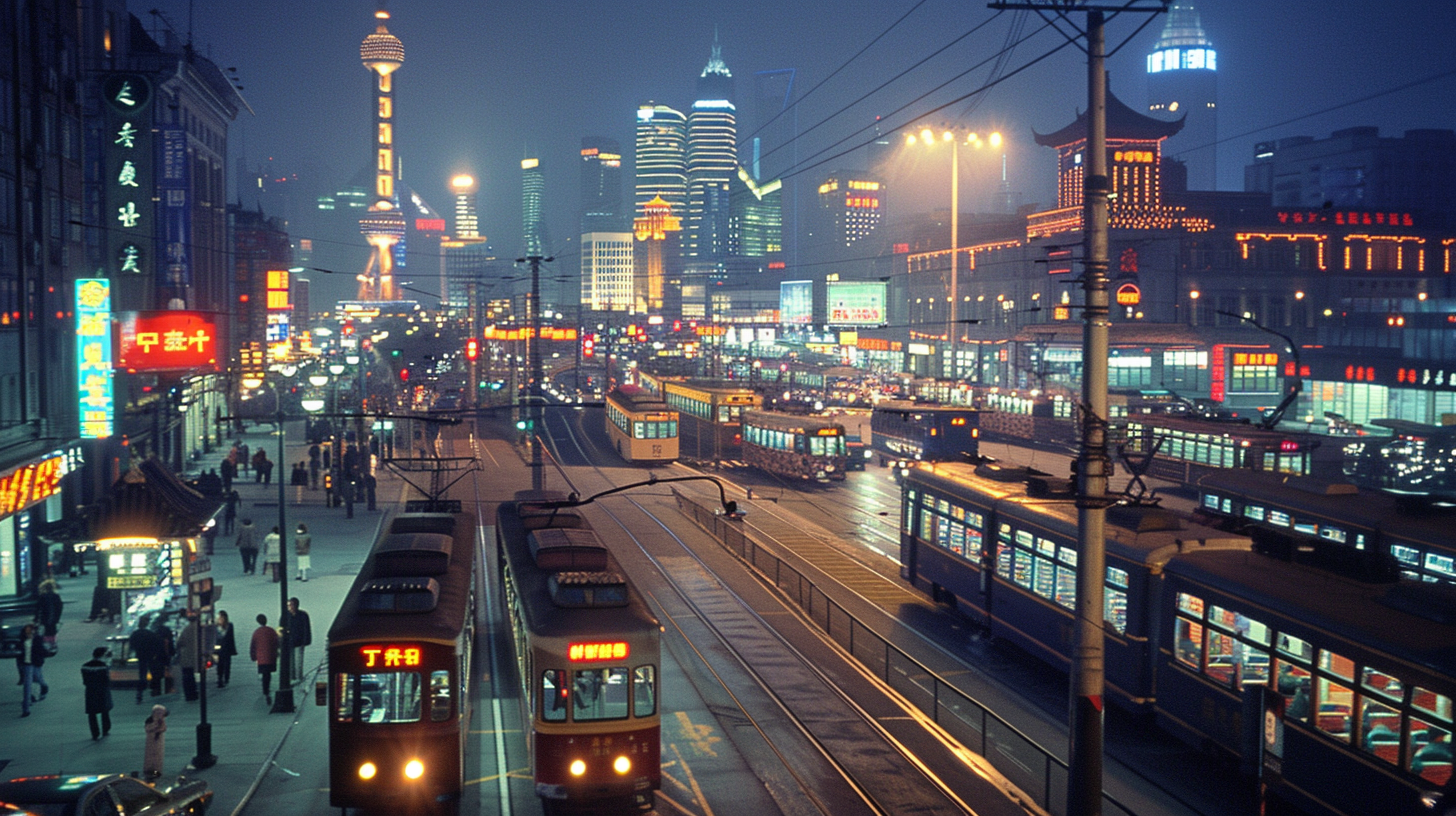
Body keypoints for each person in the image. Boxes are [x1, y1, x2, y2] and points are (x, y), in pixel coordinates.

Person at [127, 614, 166, 702]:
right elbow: (158, 644)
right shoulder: (150, 634)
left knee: (142, 674)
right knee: (154, 673)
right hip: (151, 656)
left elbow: (132, 644)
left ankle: (140, 692)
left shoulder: (135, 634)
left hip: (141, 656)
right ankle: (154, 690)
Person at [81, 646, 113, 740]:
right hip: (102, 691)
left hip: (90, 691)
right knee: (105, 710)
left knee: (92, 713)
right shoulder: (103, 666)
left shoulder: (85, 666)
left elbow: (85, 681)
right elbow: (106, 680)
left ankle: (95, 733)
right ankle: (105, 729)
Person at [16, 623, 47, 717]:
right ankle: (26, 708)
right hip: (27, 665)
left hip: (35, 664)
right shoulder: (22, 640)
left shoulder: (37, 639)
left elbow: (42, 650)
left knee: (38, 679)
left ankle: (44, 687)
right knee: (27, 685)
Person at [250, 613, 280, 704]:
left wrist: (253, 656)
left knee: (264, 673)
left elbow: (253, 646)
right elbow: (277, 642)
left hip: (261, 657)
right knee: (268, 674)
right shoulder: (271, 631)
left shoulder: (256, 632)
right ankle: (267, 689)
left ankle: (265, 690)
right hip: (270, 656)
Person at [284, 597, 312, 682]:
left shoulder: (303, 615)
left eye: (291, 604)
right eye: (289, 605)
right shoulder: (286, 615)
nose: (290, 607)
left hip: (299, 642)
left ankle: (299, 678)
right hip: (289, 642)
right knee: (290, 663)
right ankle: (291, 678)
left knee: (298, 662)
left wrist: (306, 640)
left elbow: (306, 628)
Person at [174, 614, 200, 702]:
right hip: (196, 654)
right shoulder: (199, 628)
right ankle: (194, 693)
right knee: (191, 676)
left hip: (186, 655)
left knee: (186, 676)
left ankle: (189, 695)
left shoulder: (186, 629)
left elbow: (179, 642)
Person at [142, 703, 168, 780]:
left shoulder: (161, 720)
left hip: (159, 740)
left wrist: (158, 728)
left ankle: (157, 770)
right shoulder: (150, 720)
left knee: (158, 756)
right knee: (150, 755)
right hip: (151, 740)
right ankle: (148, 770)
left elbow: (163, 728)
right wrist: (155, 726)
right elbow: (148, 728)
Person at [214, 611, 237, 688]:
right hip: (219, 649)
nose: (220, 619)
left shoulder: (229, 625)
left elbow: (231, 638)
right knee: (220, 664)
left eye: (221, 618)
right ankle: (220, 678)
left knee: (227, 665)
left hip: (227, 648)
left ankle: (226, 678)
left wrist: (232, 649)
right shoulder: (216, 627)